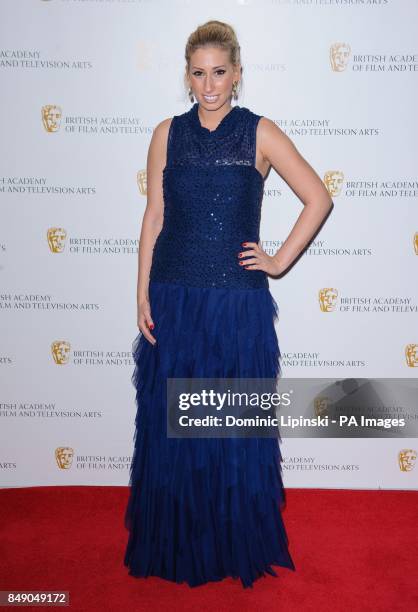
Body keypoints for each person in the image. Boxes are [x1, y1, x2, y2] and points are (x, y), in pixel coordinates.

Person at [124, 20, 332, 589]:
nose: (209, 84)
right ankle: (181, 542)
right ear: (186, 76)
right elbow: (154, 217)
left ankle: (230, 542)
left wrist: (280, 260)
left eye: (220, 72)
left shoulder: (260, 133)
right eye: (198, 73)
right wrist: (142, 290)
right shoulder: (167, 133)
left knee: (229, 429)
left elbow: (318, 197)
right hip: (175, 297)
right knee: (174, 427)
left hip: (237, 306)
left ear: (237, 74)